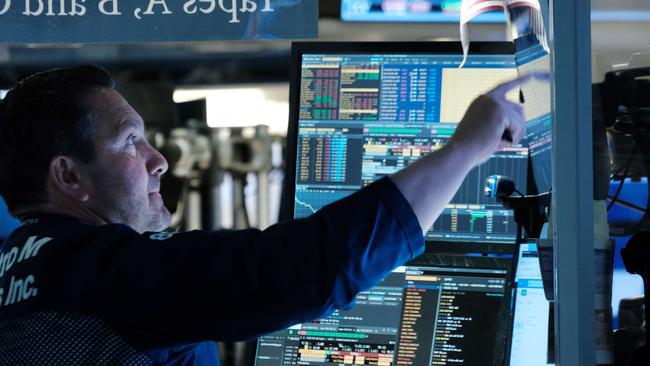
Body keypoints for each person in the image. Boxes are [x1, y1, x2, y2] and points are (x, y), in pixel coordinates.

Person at [0, 65, 535, 365]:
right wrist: (465, 148)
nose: (158, 160)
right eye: (130, 143)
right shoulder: (98, 271)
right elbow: (313, 266)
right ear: (69, 177)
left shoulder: (26, 263)